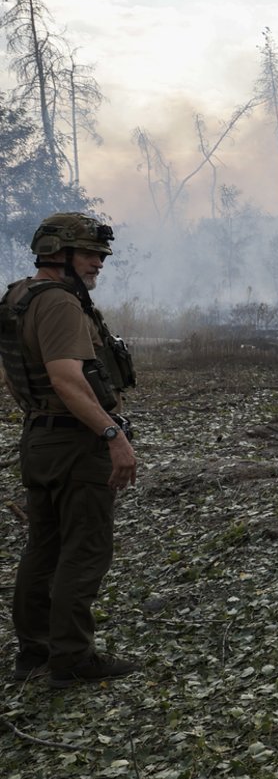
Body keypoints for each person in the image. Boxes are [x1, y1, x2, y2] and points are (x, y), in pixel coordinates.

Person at [0, 212, 139, 687]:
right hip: (74, 443)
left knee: (44, 547)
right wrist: (112, 436)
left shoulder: (18, 296)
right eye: (91, 254)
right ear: (59, 253)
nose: (99, 263)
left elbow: (17, 375)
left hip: (40, 436)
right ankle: (73, 659)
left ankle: (34, 652)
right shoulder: (59, 303)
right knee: (85, 549)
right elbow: (66, 378)